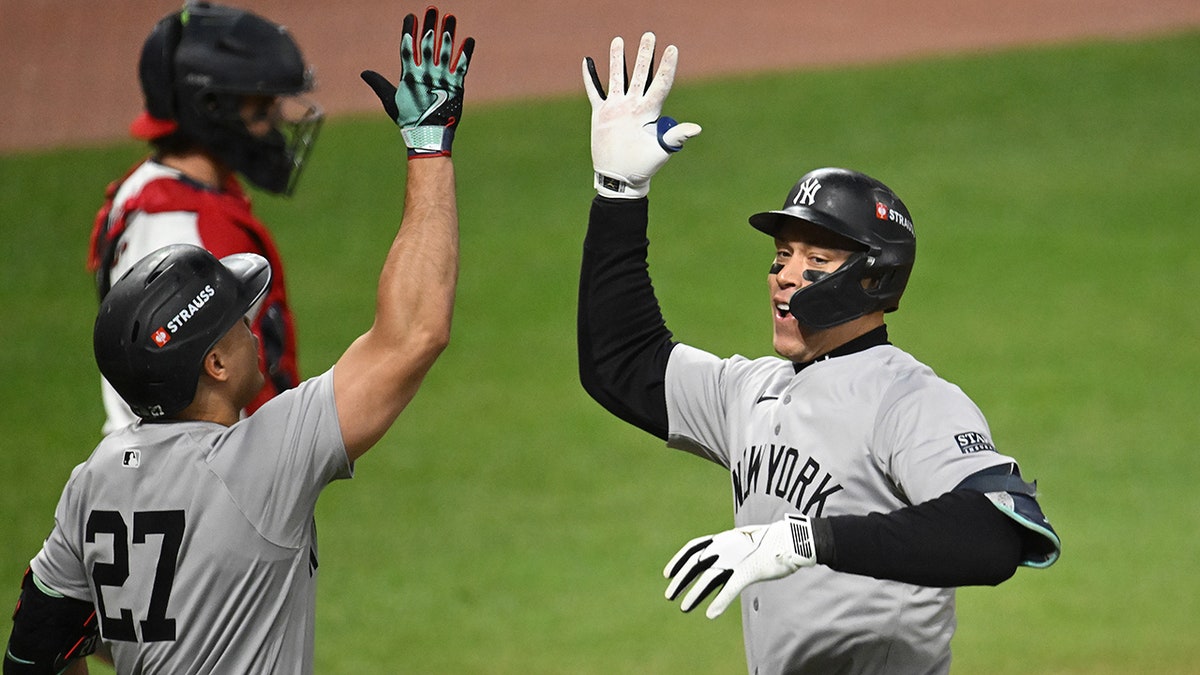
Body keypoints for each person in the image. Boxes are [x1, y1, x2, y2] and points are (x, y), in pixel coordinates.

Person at [5, 7, 473, 673]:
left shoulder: (90, 488)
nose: (251, 327)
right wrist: (429, 147)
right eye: (235, 320)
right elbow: (414, 332)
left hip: (151, 516)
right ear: (214, 361)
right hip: (213, 511)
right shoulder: (260, 465)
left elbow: (33, 651)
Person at [577, 33, 1061, 674]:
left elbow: (999, 534)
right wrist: (619, 194)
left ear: (872, 278)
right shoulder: (749, 391)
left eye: (817, 259)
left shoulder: (908, 399)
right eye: (781, 257)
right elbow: (621, 359)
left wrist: (809, 539)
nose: (784, 274)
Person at [86, 1, 325, 435]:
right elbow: (214, 385)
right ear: (212, 107)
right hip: (203, 478)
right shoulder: (185, 231)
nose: (274, 122)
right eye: (261, 107)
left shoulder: (143, 188)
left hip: (168, 467)